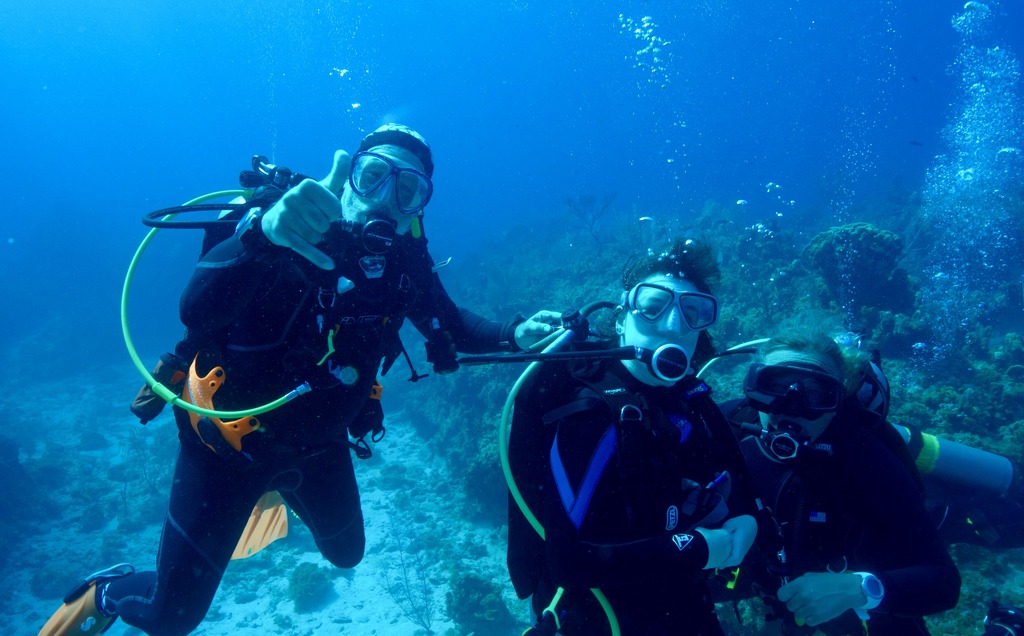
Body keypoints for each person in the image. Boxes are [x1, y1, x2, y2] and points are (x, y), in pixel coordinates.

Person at [40, 124, 559, 636]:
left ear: (419, 206)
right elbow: (195, 309)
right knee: (171, 617)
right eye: (373, 176)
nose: (384, 199)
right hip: (228, 450)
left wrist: (516, 332)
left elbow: (449, 322)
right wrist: (262, 236)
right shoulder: (285, 230)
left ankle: (275, 492)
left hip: (318, 447)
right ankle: (105, 590)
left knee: (347, 554)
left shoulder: (403, 263)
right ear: (350, 178)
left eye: (407, 190)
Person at [505, 238, 759, 635]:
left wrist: (747, 522)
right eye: (653, 307)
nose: (674, 325)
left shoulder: (692, 402)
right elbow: (569, 563)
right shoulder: (590, 415)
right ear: (622, 317)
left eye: (693, 312)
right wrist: (700, 548)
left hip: (683, 604)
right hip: (598, 619)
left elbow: (739, 486)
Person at [723, 325, 961, 635]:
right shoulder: (726, 428)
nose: (792, 408)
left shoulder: (866, 459)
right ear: (754, 388)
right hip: (756, 571)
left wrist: (862, 589)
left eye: (815, 393)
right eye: (776, 386)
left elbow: (943, 582)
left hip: (849, 580)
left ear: (837, 402)